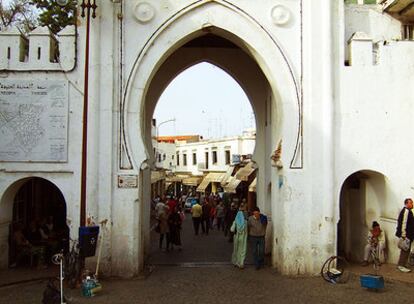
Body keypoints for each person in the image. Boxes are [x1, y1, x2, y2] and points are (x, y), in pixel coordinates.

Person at [395, 198, 414, 272]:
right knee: (404, 250)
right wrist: (403, 234)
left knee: (407, 250)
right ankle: (400, 266)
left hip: (409, 235)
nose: (412, 204)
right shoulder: (406, 211)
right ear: (406, 204)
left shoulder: (409, 211)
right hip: (406, 235)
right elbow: (404, 223)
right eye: (411, 203)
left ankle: (403, 265)